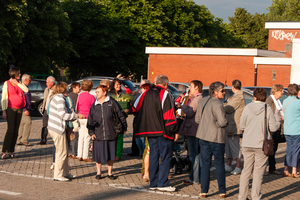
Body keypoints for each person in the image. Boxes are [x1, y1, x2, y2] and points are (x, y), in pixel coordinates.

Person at [133, 75, 178, 192]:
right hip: (163, 130)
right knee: (165, 157)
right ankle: (163, 183)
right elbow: (169, 114)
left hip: (149, 130)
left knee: (153, 155)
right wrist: (174, 130)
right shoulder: (165, 93)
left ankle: (153, 183)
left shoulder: (145, 93)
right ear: (166, 84)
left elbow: (134, 108)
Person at [238, 88, 277, 200]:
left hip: (247, 143)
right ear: (265, 97)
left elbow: (242, 126)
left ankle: (242, 196)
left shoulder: (247, 108)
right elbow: (273, 127)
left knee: (246, 171)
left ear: (254, 97)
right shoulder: (267, 108)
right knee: (258, 172)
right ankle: (256, 196)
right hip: (262, 144)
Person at [195, 81, 227, 198]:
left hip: (203, 136)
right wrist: (225, 122)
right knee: (219, 164)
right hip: (216, 137)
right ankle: (222, 191)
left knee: (205, 164)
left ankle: (204, 191)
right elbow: (222, 122)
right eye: (222, 91)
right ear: (215, 92)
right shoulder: (218, 104)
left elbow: (197, 119)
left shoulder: (202, 101)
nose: (224, 93)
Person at [87, 85, 127, 180]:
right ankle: (99, 172)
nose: (96, 93)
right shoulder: (94, 105)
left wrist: (124, 127)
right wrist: (91, 132)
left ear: (104, 92)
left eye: (98, 91)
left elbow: (121, 115)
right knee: (98, 154)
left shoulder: (112, 102)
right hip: (98, 133)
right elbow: (90, 120)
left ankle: (110, 173)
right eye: (96, 92)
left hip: (111, 132)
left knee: (111, 153)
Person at [47, 82, 79, 181]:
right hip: (57, 128)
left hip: (57, 127)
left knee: (64, 151)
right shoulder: (59, 99)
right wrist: (76, 116)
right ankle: (58, 174)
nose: (68, 91)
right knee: (61, 152)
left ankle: (65, 173)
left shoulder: (58, 98)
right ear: (62, 89)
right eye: (66, 89)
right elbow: (63, 115)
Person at [178, 80, 203, 185]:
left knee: (194, 155)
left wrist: (182, 106)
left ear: (196, 87)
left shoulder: (197, 99)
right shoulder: (194, 98)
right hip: (192, 129)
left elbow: (190, 112)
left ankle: (194, 178)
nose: (189, 89)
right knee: (194, 154)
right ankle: (194, 177)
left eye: (191, 87)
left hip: (193, 130)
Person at [1, 67, 28, 159]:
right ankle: (5, 151)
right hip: (10, 109)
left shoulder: (19, 83)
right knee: (10, 130)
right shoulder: (7, 83)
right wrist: (4, 111)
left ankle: (12, 150)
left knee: (16, 130)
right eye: (19, 73)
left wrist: (18, 83)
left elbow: (26, 90)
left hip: (19, 109)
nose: (20, 75)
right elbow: (4, 97)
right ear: (14, 74)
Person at [224, 79, 245, 175]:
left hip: (234, 126)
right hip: (230, 125)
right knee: (228, 146)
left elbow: (228, 108)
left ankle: (238, 166)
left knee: (235, 146)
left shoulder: (238, 96)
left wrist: (220, 106)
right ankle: (228, 164)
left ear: (233, 87)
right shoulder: (235, 96)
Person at [265, 84, 284, 176]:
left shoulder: (278, 101)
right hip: (271, 129)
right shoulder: (269, 101)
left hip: (278, 129)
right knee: (268, 149)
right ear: (275, 91)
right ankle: (266, 168)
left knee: (274, 149)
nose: (283, 92)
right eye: (281, 90)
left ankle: (272, 168)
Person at [282, 84, 300, 178]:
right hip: (297, 129)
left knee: (288, 149)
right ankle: (294, 170)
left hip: (287, 129)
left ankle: (286, 169)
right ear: (296, 91)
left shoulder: (285, 101)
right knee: (296, 150)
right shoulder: (298, 102)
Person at [76, 79, 95, 162]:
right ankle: (85, 156)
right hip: (88, 118)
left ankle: (79, 154)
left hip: (80, 117)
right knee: (87, 137)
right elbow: (93, 109)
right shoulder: (91, 97)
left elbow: (77, 107)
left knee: (81, 137)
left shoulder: (79, 96)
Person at [109, 78, 127, 161]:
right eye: (117, 84)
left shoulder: (123, 95)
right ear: (113, 85)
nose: (119, 86)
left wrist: (127, 110)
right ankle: (111, 153)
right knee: (112, 136)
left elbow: (128, 106)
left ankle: (118, 154)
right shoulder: (110, 95)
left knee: (120, 136)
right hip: (111, 118)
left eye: (120, 84)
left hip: (121, 118)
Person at [38, 76, 56, 145]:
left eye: (47, 82)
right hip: (46, 110)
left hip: (53, 110)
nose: (46, 84)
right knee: (44, 125)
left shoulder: (56, 90)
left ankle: (54, 139)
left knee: (53, 125)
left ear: (52, 83)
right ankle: (43, 139)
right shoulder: (46, 89)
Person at [17, 74, 32, 146]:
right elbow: (21, 99)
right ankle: (24, 140)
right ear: (25, 80)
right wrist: (25, 109)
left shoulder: (25, 87)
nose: (30, 81)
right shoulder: (22, 88)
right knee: (28, 122)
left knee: (22, 124)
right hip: (24, 109)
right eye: (29, 80)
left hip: (24, 109)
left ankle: (19, 140)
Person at [68, 82, 81, 158]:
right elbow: (75, 108)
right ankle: (74, 153)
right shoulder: (74, 96)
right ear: (74, 88)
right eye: (78, 87)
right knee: (75, 136)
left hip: (71, 118)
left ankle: (73, 152)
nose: (80, 88)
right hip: (74, 119)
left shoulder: (71, 96)